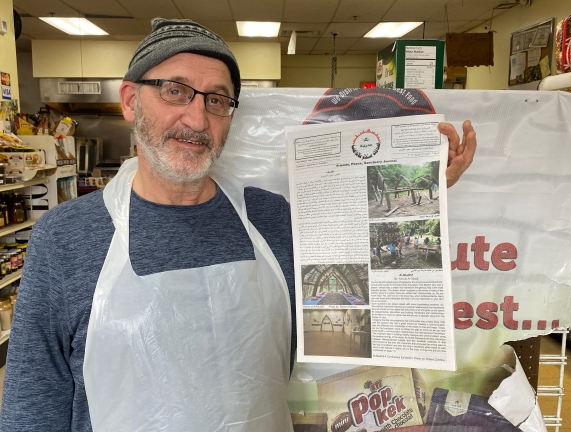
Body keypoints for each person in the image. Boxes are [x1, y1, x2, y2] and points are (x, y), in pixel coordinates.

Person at [0, 18, 477, 432]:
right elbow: (32, 404)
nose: (196, 118)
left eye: (217, 100)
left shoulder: (270, 219)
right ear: (131, 100)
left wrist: (422, 190)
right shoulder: (66, 238)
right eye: (175, 91)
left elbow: (357, 293)